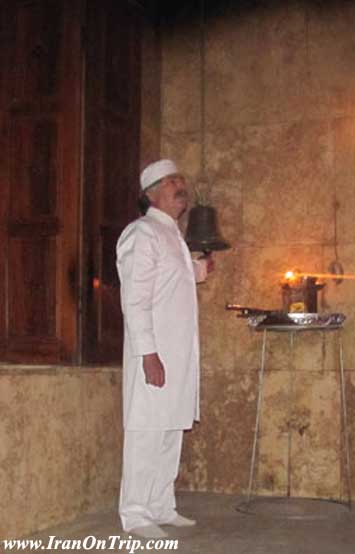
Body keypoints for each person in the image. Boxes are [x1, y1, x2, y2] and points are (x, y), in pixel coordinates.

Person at [116, 159, 213, 539]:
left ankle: (160, 504)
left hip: (178, 354)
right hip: (153, 353)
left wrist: (201, 268)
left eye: (180, 180)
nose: (180, 186)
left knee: (171, 428)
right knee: (146, 431)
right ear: (150, 194)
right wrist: (149, 353)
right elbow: (135, 299)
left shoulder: (172, 236)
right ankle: (136, 512)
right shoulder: (141, 233)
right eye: (171, 182)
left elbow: (178, 277)